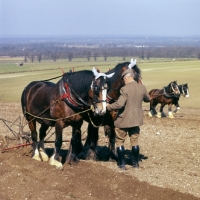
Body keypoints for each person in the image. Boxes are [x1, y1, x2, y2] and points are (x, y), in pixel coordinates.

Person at [106, 68, 150, 170]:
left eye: (124, 79)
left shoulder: (124, 89)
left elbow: (119, 104)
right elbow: (148, 99)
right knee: (134, 141)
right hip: (136, 120)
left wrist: (107, 107)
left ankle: (122, 164)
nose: (124, 81)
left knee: (120, 141)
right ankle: (135, 164)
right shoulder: (142, 88)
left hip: (123, 121)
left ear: (126, 78)